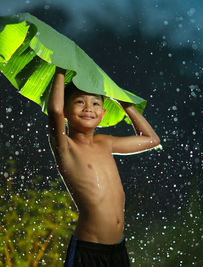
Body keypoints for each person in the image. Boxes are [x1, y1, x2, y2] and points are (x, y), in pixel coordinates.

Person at [47, 67, 160, 267]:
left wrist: (125, 104)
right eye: (80, 101)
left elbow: (151, 140)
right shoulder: (66, 146)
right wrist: (60, 71)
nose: (88, 108)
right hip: (88, 249)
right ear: (66, 111)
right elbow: (54, 110)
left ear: (103, 113)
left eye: (96, 103)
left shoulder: (105, 143)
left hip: (118, 249)